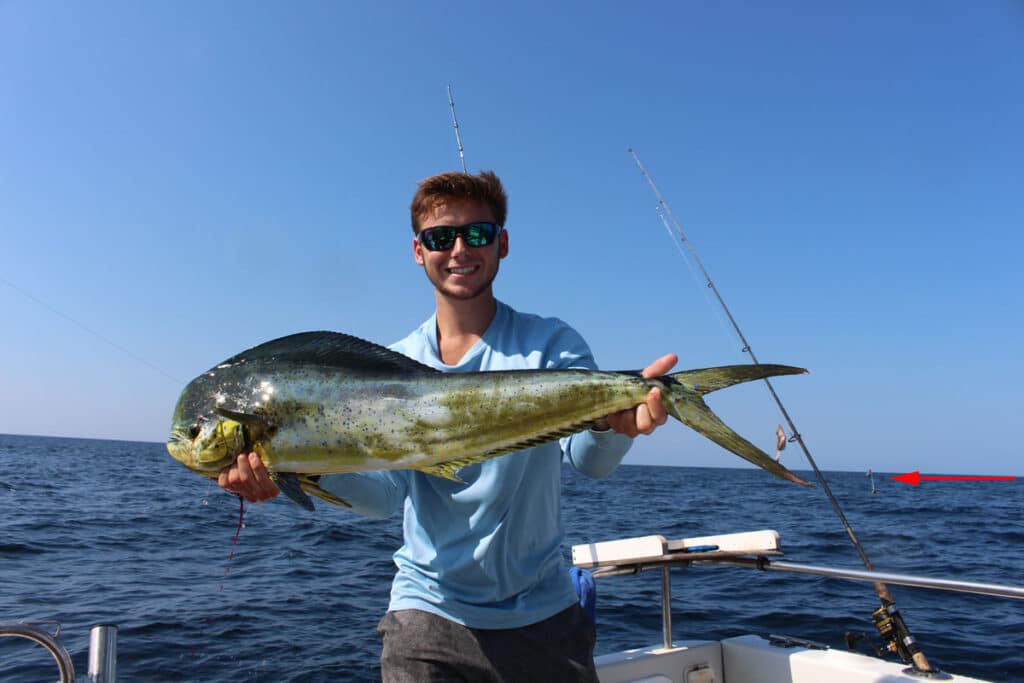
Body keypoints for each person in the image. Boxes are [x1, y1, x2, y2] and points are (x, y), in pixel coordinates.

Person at [219, 170, 677, 682]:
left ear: (502, 244)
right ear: (419, 251)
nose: (460, 249)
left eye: (477, 234)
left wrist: (619, 428)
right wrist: (302, 470)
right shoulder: (389, 366)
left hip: (544, 617)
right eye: (441, 237)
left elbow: (589, 463)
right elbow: (386, 497)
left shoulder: (551, 345)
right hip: (427, 619)